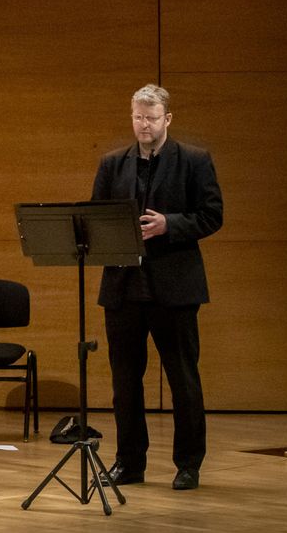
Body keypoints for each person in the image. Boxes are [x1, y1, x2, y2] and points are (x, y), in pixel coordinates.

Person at [95, 85, 223, 492]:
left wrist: (171, 224)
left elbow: (212, 215)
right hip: (124, 287)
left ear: (167, 119)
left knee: (183, 378)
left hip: (175, 287)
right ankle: (129, 463)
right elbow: (97, 218)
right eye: (137, 117)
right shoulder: (112, 164)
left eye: (151, 118)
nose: (143, 125)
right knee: (125, 382)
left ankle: (188, 464)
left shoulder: (195, 161)